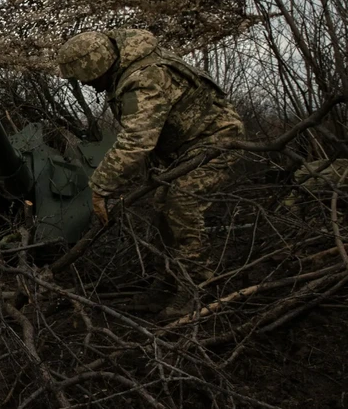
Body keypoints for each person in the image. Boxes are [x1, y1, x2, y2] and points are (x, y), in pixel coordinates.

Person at [55, 29, 243, 318]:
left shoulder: (145, 77)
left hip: (215, 139)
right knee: (160, 207)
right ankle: (167, 280)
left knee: (182, 202)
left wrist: (101, 187)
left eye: (87, 78)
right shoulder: (128, 70)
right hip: (182, 148)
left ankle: (196, 287)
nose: (89, 85)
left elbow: (138, 140)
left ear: (97, 66)